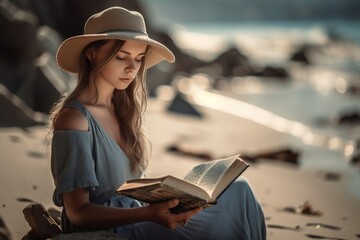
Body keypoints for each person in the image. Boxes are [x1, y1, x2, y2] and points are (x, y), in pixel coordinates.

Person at [48, 6, 266, 239]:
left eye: (139, 59)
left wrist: (168, 201)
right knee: (234, 204)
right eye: (121, 57)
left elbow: (133, 188)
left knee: (238, 190)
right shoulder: (74, 119)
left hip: (142, 216)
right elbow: (78, 214)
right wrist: (149, 215)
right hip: (112, 227)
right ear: (92, 54)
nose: (132, 68)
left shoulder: (123, 110)